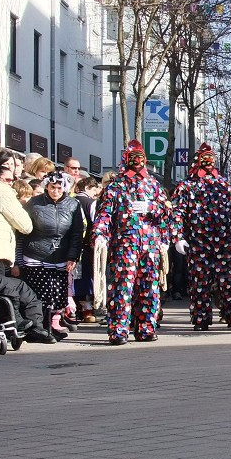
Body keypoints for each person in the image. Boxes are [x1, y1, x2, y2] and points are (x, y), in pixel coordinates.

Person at [93, 140, 171, 345]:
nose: (137, 162)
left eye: (140, 158)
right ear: (126, 160)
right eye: (133, 158)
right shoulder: (115, 186)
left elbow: (166, 213)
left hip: (150, 245)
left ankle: (146, 327)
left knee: (149, 287)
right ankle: (118, 329)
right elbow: (105, 214)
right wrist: (100, 234)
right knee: (122, 287)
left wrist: (151, 209)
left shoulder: (153, 185)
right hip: (125, 244)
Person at [171, 143, 231, 331]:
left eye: (211, 160)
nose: (208, 164)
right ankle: (201, 318)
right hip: (199, 242)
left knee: (229, 281)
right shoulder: (186, 186)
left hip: (223, 242)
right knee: (200, 281)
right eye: (204, 160)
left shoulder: (223, 184)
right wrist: (178, 237)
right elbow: (178, 213)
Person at [17, 172, 84, 340]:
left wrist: (73, 256)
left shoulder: (73, 205)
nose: (55, 191)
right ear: (46, 186)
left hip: (61, 255)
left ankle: (52, 325)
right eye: (52, 187)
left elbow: (77, 233)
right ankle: (40, 329)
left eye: (59, 188)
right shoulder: (35, 203)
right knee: (41, 294)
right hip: (36, 254)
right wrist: (18, 260)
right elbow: (22, 231)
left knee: (57, 294)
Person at [73, 177, 102, 323]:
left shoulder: (70, 200)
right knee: (87, 277)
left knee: (74, 277)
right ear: (89, 188)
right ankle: (86, 310)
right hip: (87, 245)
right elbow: (96, 223)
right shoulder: (90, 202)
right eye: (95, 189)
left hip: (72, 244)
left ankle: (75, 307)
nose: (96, 192)